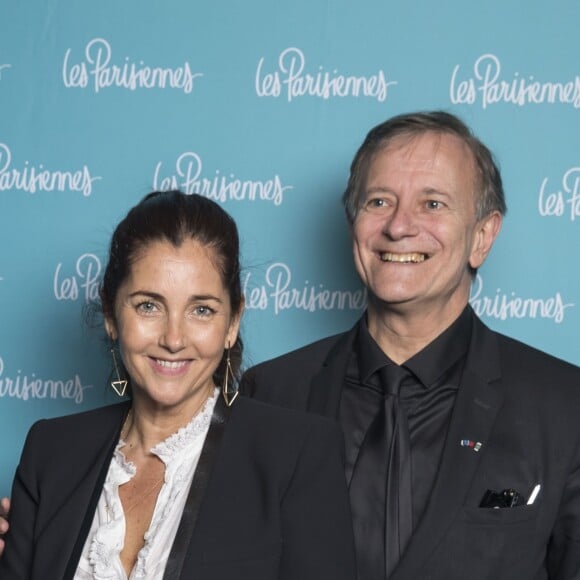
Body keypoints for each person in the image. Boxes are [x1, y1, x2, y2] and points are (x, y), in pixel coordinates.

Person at [241, 112, 580, 578]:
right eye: (379, 201)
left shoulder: (565, 407)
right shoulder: (268, 395)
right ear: (352, 224)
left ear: (482, 237)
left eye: (433, 204)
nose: (399, 227)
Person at [0, 190, 356, 579]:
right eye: (148, 306)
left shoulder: (296, 455)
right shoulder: (51, 452)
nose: (173, 338)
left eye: (201, 310)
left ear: (232, 322)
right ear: (110, 313)